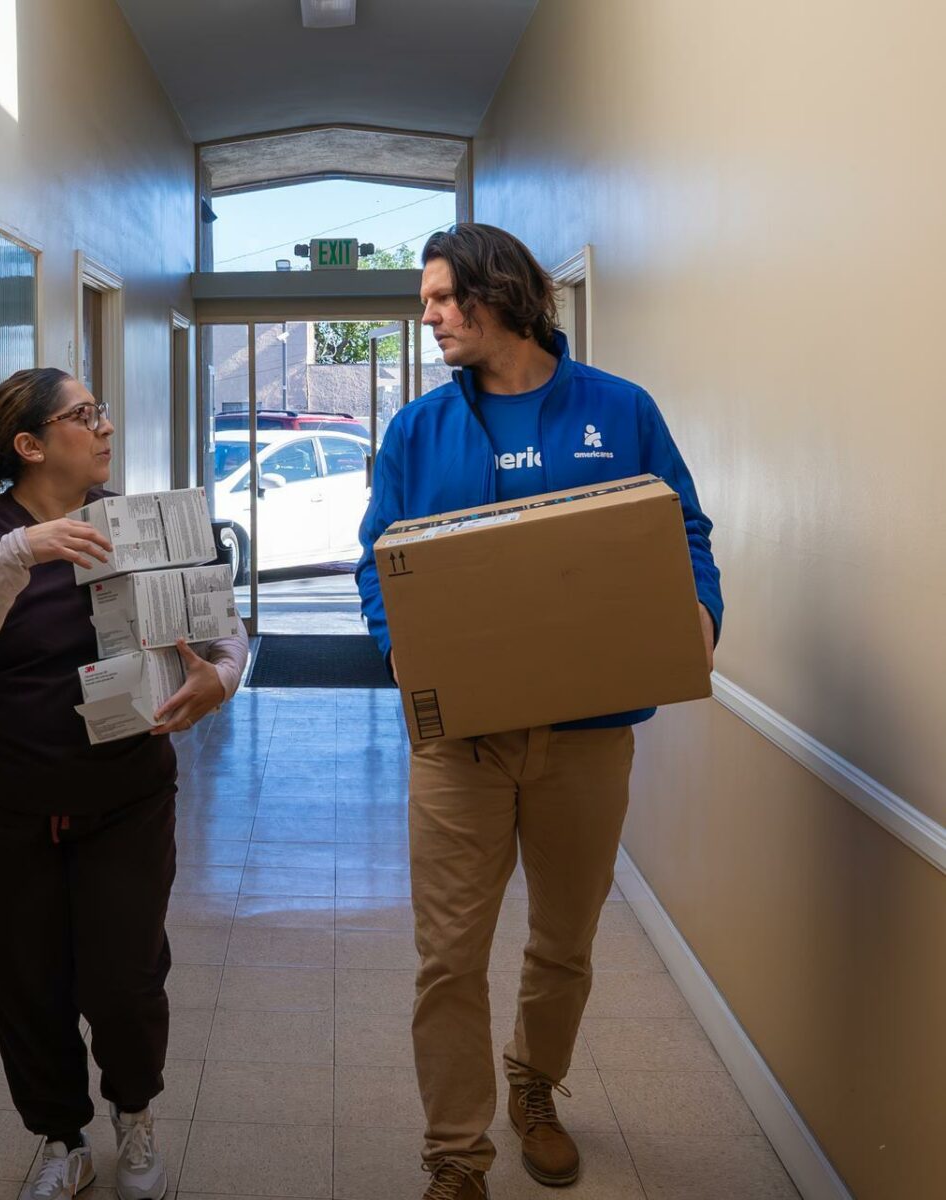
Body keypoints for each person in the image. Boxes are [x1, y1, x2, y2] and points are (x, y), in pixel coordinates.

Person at [353, 224, 724, 1199]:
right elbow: (375, 557)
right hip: (458, 745)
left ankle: (532, 1087)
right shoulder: (416, 432)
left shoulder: (618, 409)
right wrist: (400, 650)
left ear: (497, 292)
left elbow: (679, 525)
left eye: (440, 298)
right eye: (425, 300)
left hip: (587, 735)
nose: (426, 316)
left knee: (562, 941)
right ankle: (453, 1156)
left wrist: (698, 615)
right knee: (447, 957)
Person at [0, 367, 248, 1200]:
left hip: (125, 794)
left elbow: (224, 633)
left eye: (101, 412)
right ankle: (59, 1139)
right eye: (85, 415)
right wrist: (17, 555)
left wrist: (225, 676)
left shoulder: (147, 524)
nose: (105, 427)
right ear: (30, 446)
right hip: (4, 802)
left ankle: (134, 1119)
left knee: (123, 976)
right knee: (24, 978)